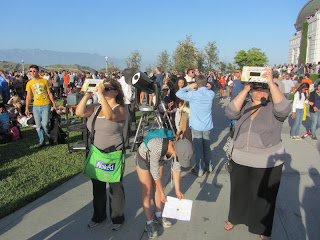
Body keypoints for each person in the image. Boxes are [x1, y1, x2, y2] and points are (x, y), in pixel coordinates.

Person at [224, 66, 291, 240]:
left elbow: (285, 109)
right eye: (256, 89)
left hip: (266, 163)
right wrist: (246, 87)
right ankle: (235, 218)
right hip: (240, 159)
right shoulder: (244, 104)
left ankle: (262, 229)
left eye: (264, 89)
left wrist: (270, 81)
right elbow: (230, 111)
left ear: (270, 92)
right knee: (239, 193)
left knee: (264, 199)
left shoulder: (274, 110)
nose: (260, 92)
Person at [76, 79, 126, 231]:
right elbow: (79, 112)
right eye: (103, 87)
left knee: (115, 189)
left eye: (107, 88)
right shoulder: (96, 107)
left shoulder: (121, 109)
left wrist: (101, 95)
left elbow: (110, 116)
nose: (103, 90)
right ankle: (98, 215)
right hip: (96, 153)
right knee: (97, 188)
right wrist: (87, 94)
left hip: (113, 154)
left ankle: (117, 217)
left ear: (116, 92)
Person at [136, 135, 193, 239]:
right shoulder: (158, 147)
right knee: (147, 190)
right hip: (144, 158)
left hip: (159, 158)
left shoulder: (177, 150)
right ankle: (149, 223)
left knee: (158, 186)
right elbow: (154, 172)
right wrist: (162, 192)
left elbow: (176, 170)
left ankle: (158, 216)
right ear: (175, 151)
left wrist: (177, 190)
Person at [176, 75, 215, 177]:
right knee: (206, 147)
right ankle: (209, 166)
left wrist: (189, 87)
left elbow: (178, 93)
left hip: (196, 125)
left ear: (196, 83)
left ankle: (199, 169)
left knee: (198, 149)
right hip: (207, 125)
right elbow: (211, 90)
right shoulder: (211, 94)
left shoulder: (193, 94)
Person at [25, 65, 56, 147]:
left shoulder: (44, 81)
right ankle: (42, 141)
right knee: (38, 125)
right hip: (36, 105)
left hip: (45, 104)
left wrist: (53, 103)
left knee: (45, 124)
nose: (32, 73)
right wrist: (27, 107)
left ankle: (50, 137)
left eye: (34, 71)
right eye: (31, 71)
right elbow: (28, 96)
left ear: (38, 72)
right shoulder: (29, 83)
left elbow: (49, 92)